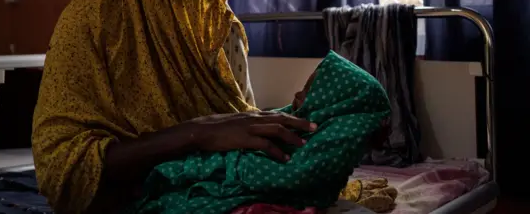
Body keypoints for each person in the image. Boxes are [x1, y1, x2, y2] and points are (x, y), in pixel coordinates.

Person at [31, 0, 317, 214]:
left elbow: (236, 122)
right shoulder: (91, 24)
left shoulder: (221, 29)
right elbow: (63, 171)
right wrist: (195, 134)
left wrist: (302, 119)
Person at [131, 50, 392, 213]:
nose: (297, 95)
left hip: (235, 173)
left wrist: (239, 165)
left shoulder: (326, 145)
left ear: (332, 105)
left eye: (309, 91)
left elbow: (293, 176)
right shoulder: (295, 118)